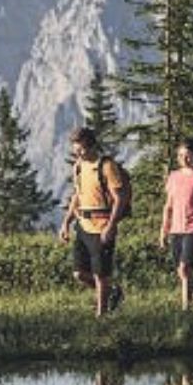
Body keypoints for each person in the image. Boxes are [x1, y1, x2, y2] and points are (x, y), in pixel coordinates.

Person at [59, 126, 128, 317]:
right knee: (79, 273)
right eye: (75, 150)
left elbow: (120, 198)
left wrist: (111, 226)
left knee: (100, 275)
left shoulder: (107, 166)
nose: (78, 154)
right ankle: (113, 293)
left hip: (102, 226)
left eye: (81, 150)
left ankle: (101, 315)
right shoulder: (78, 167)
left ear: (92, 146)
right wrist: (66, 222)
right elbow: (77, 196)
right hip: (83, 225)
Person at [158, 137, 193, 311]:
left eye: (188, 155)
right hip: (176, 228)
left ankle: (185, 309)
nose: (184, 159)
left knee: (184, 268)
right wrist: (163, 231)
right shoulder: (173, 176)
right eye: (181, 155)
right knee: (182, 272)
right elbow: (168, 206)